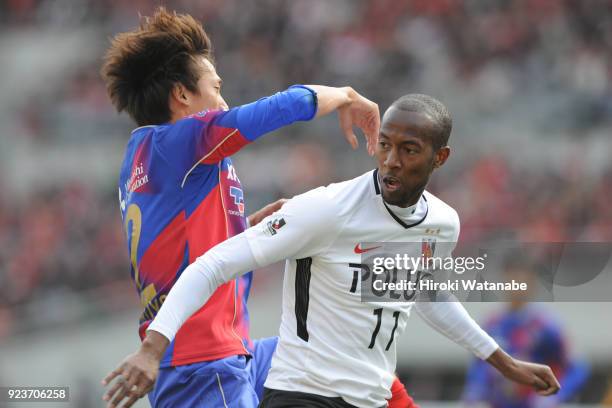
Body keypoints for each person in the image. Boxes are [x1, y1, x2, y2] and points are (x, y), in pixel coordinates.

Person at [103, 94, 561, 407]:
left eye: (409, 149)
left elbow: (427, 296)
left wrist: (504, 362)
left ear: (439, 158)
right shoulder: (326, 210)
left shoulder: (443, 224)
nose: (392, 160)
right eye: (385, 144)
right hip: (305, 394)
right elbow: (212, 265)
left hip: (374, 394)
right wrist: (151, 349)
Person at [100, 7, 384, 408]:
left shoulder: (142, 157)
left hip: (222, 354)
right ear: (181, 95)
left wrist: (246, 226)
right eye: (215, 88)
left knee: (335, 355)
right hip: (204, 364)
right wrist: (346, 96)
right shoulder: (182, 142)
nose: (223, 99)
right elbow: (278, 108)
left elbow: (178, 247)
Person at [463, 255, 589, 407]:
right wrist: (474, 393)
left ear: (532, 282)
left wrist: (555, 397)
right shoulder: (492, 324)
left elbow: (577, 368)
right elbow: (479, 366)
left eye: (522, 279)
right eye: (511, 278)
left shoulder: (545, 325)